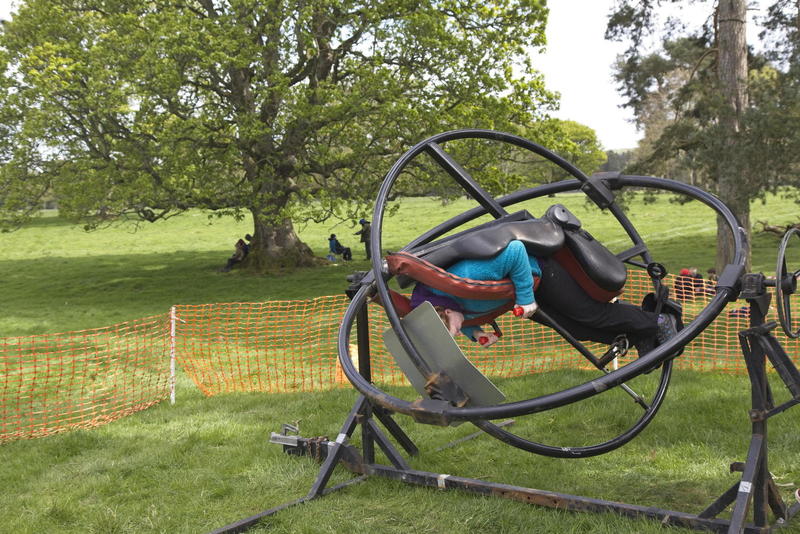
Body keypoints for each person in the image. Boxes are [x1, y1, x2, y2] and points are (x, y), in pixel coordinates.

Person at [410, 240, 679, 354]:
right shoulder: (445, 307)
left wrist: (526, 298)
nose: (458, 333)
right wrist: (477, 334)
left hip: (538, 273)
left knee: (590, 314)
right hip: (523, 295)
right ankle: (640, 335)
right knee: (574, 330)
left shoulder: (466, 275)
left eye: (455, 330)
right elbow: (466, 316)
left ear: (445, 312)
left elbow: (515, 250)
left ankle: (660, 322)